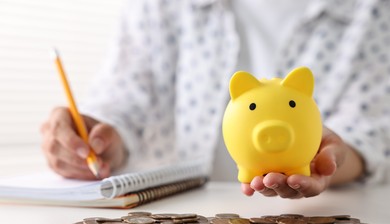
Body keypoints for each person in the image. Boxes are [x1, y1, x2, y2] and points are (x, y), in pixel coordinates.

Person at [41, 0, 390, 199]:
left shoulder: (373, 10)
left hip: (318, 216)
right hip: (178, 216)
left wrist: (327, 159)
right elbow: (124, 95)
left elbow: (372, 133)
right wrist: (99, 136)